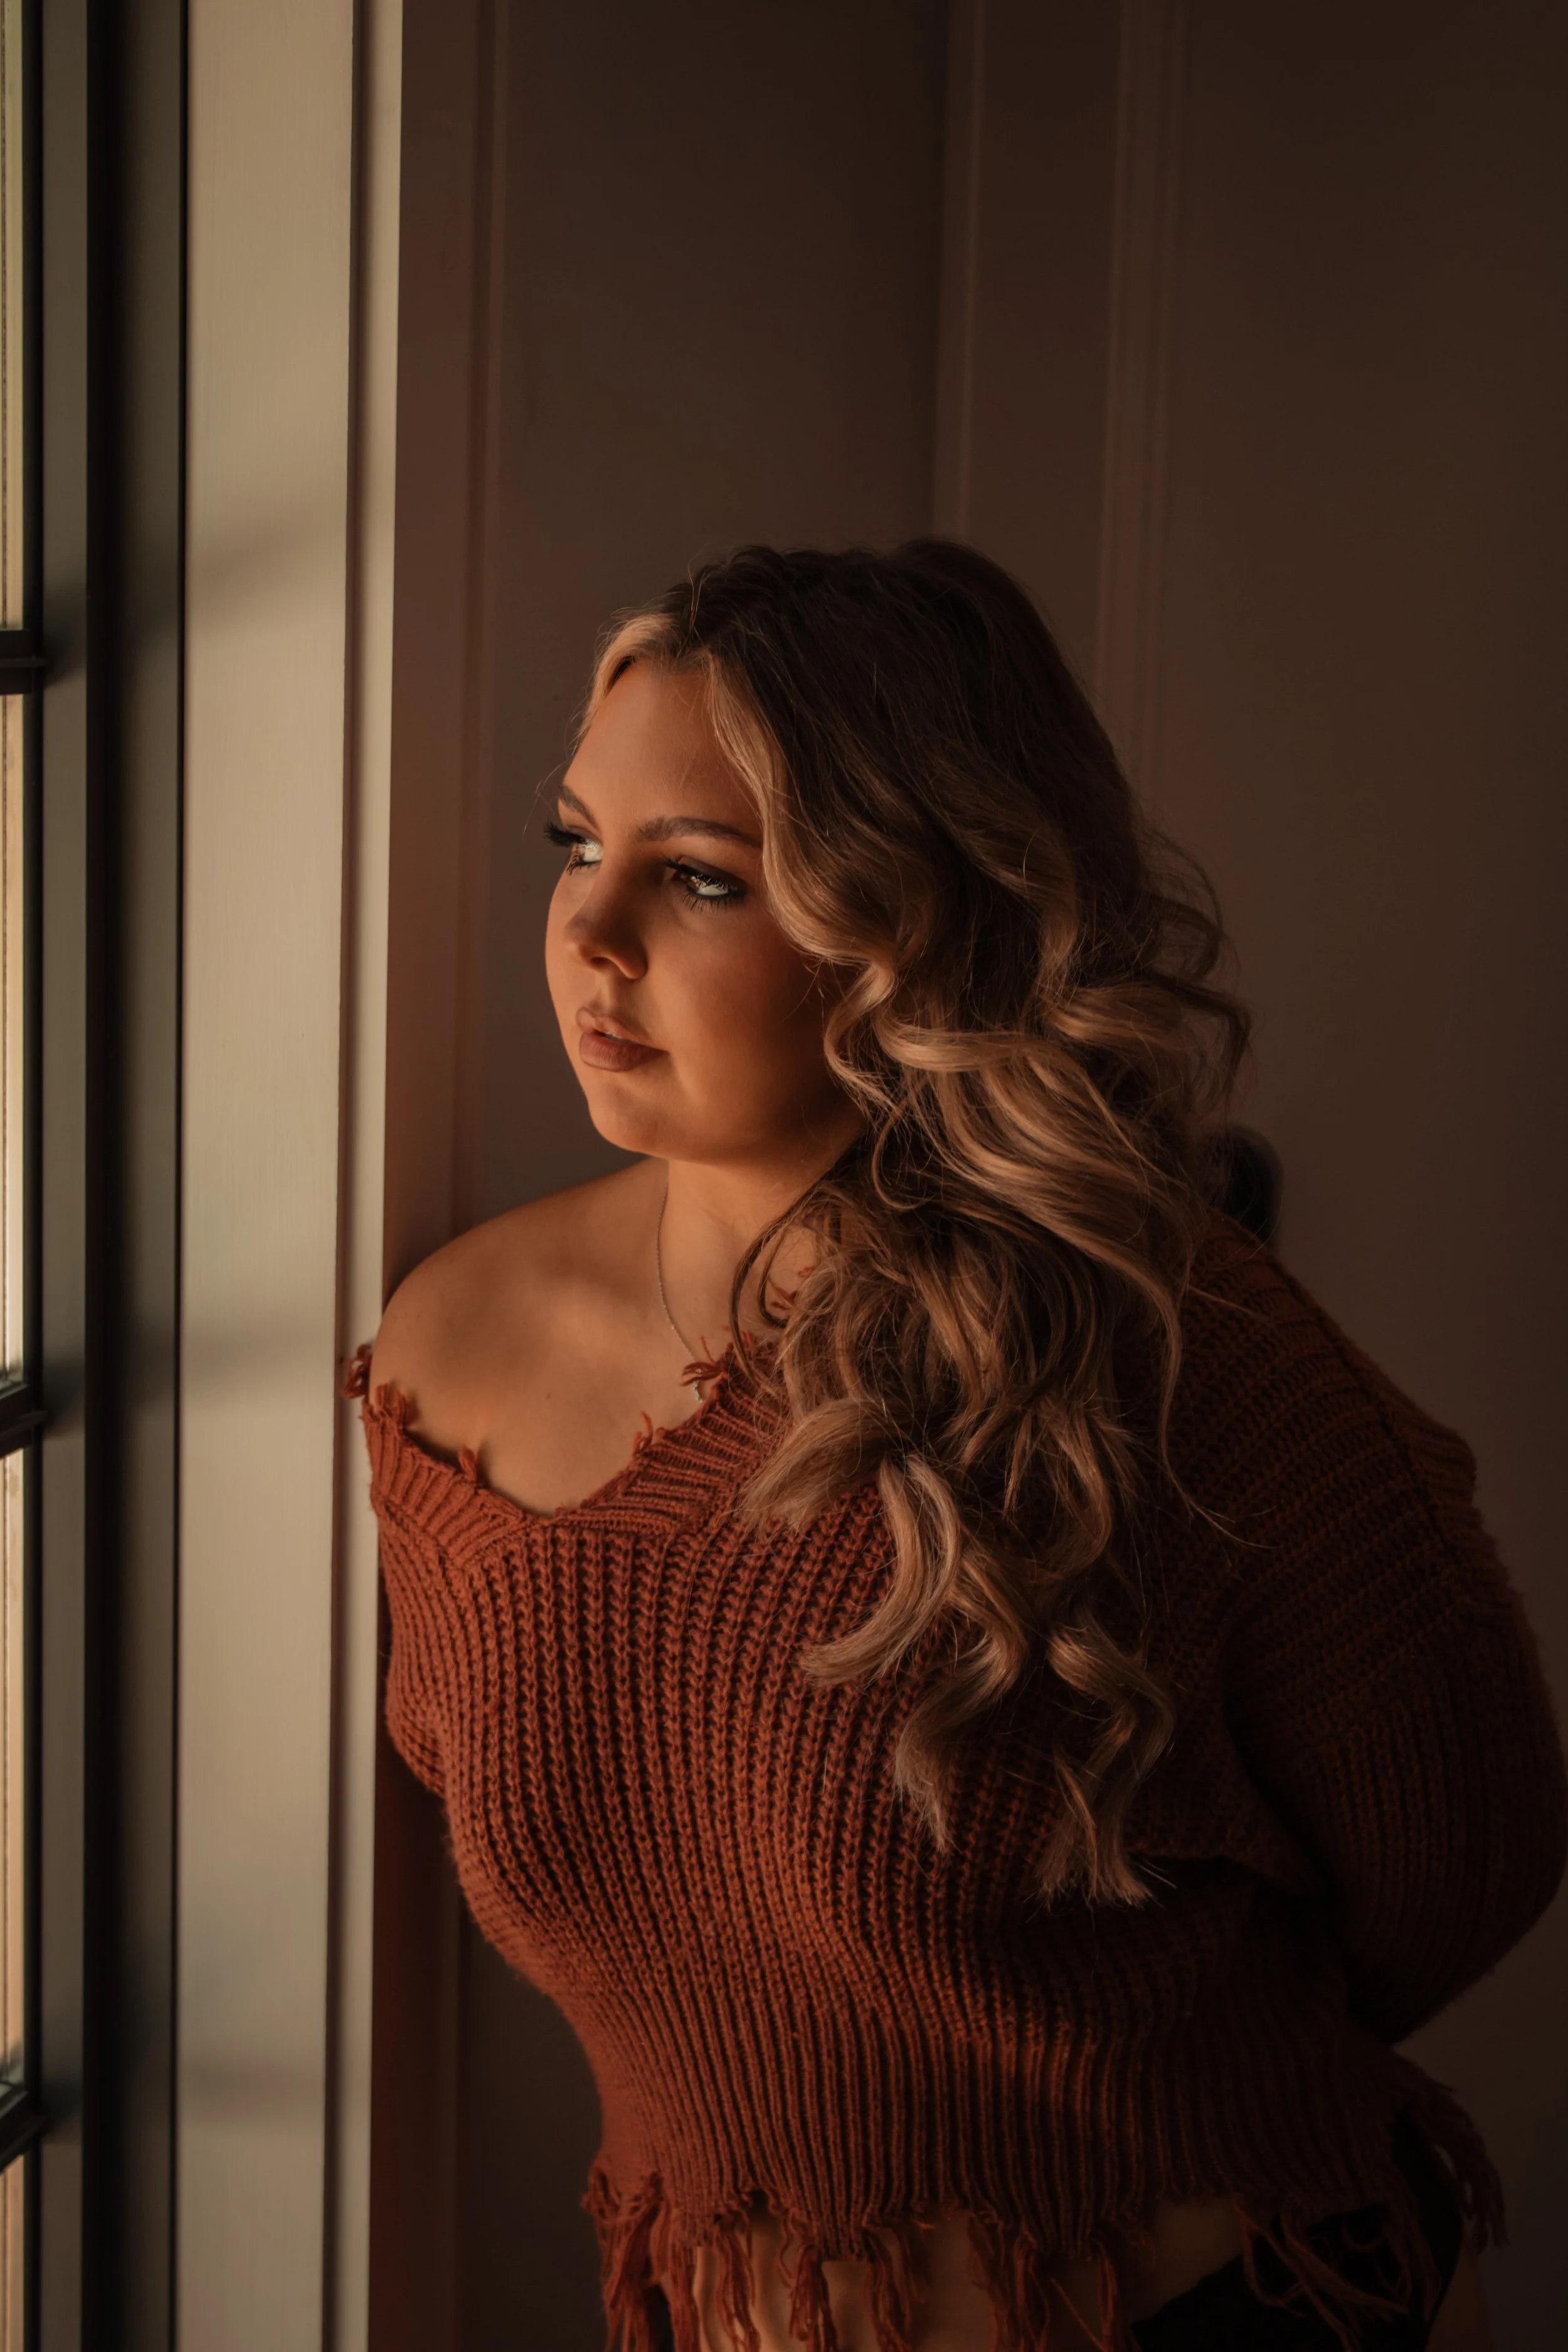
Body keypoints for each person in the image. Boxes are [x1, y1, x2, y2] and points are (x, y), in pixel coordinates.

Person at [349, 541, 1565, 2351]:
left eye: (697, 879)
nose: (588, 936)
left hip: (1224, 2301)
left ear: (917, 916)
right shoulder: (444, 1354)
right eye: (575, 843)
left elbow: (1457, 1855)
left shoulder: (1172, 1354)